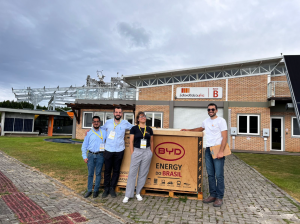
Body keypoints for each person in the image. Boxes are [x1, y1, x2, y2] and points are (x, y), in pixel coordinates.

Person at [181, 103, 227, 207]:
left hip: (217, 149)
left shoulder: (221, 121)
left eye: (212, 109)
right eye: (209, 109)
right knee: (210, 174)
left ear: (216, 110)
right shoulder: (206, 121)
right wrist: (189, 130)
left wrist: (221, 151)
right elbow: (200, 129)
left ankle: (219, 197)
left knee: (219, 175)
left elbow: (225, 137)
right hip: (208, 150)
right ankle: (212, 195)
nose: (211, 111)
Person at [101, 106, 133, 198]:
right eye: (116, 112)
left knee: (116, 170)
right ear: (114, 113)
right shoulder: (108, 122)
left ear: (121, 114)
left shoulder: (125, 123)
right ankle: (106, 189)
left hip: (119, 150)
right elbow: (100, 130)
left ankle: (112, 188)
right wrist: (90, 130)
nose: (118, 114)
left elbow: (134, 128)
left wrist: (145, 128)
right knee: (107, 170)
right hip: (108, 149)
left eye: (119, 112)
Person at [122, 111, 153, 203]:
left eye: (144, 116)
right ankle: (128, 195)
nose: (143, 117)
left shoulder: (149, 129)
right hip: (137, 151)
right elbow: (131, 141)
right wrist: (132, 153)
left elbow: (151, 142)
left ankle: (138, 193)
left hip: (147, 151)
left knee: (143, 173)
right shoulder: (134, 129)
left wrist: (151, 152)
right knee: (132, 173)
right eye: (141, 116)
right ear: (138, 119)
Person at [81, 116, 107, 198]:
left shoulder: (104, 132)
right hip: (91, 155)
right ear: (92, 123)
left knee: (98, 173)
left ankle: (96, 190)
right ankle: (89, 190)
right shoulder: (89, 133)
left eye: (98, 121)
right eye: (94, 121)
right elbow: (84, 145)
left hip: (100, 155)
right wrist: (84, 156)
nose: (96, 123)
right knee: (90, 174)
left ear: (100, 123)